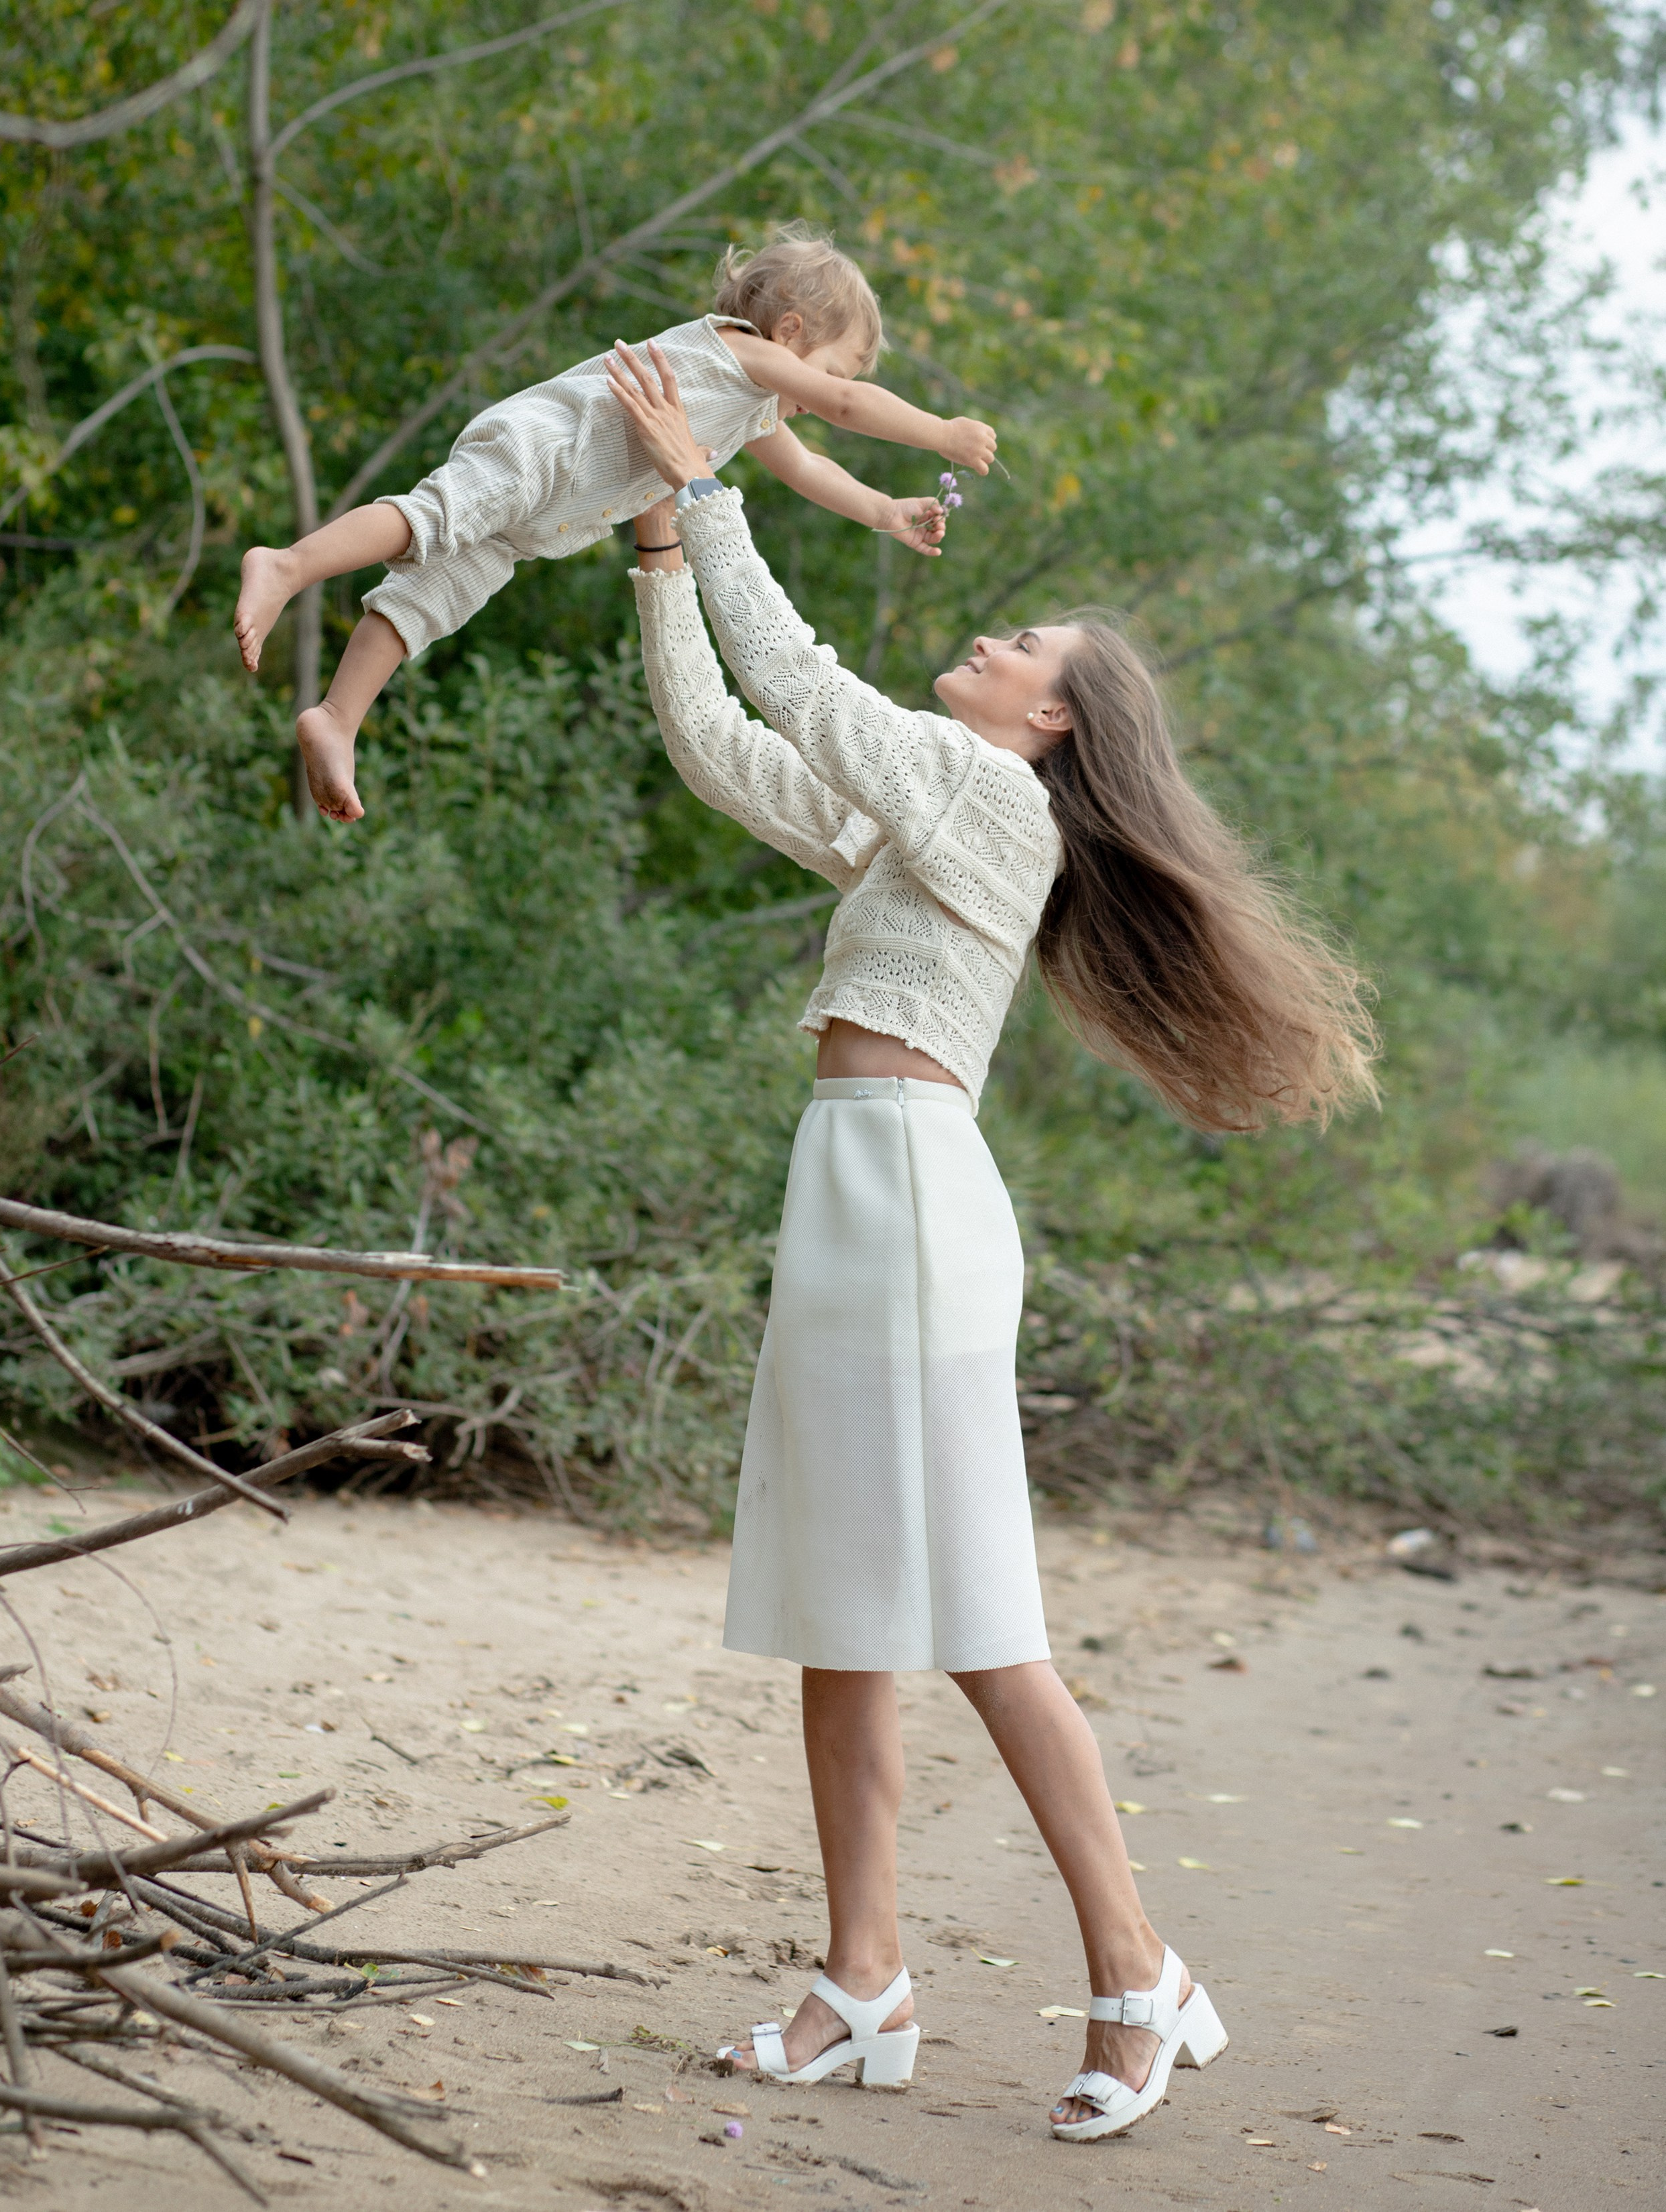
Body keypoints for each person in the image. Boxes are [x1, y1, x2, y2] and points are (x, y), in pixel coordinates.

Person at [606, 340, 1378, 2142]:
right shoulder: (920, 816)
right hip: (847, 1184)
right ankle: (861, 1980)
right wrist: (659, 559)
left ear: (1050, 723)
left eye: (1020, 644)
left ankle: (1138, 1971)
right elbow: (730, 748)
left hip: (915, 1202)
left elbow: (797, 677)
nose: (989, 638)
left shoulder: (993, 802)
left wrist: (706, 494)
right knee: (838, 1611)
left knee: (974, 1617)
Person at [231, 227, 991, 822]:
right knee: (430, 522)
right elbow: (848, 411)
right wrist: (942, 434)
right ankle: (289, 566)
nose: (833, 391)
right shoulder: (741, 352)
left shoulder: (754, 403)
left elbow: (811, 469)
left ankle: (338, 716)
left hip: (546, 519)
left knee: (427, 597)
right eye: (836, 369)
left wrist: (885, 511)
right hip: (547, 449)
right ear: (789, 332)